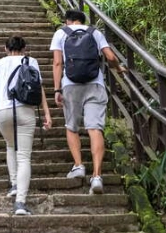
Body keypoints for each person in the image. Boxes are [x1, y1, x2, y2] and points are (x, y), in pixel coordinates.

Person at [50, 10, 126, 194]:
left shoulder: (61, 33)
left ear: (68, 21)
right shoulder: (95, 32)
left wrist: (57, 89)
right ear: (82, 20)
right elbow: (110, 57)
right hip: (95, 84)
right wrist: (118, 69)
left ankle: (78, 165)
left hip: (71, 84)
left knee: (72, 126)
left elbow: (58, 63)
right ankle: (97, 176)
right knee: (95, 128)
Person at [0, 36, 52, 215]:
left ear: (5, 48)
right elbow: (39, 89)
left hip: (1, 112)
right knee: (23, 157)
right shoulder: (31, 61)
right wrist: (47, 113)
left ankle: (15, 184)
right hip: (25, 110)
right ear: (24, 49)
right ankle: (20, 203)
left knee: (10, 145)